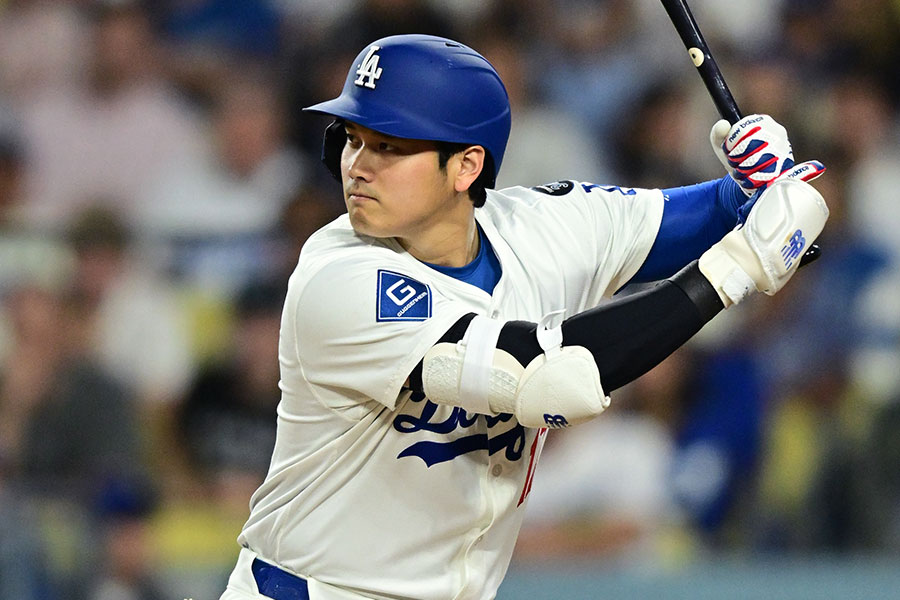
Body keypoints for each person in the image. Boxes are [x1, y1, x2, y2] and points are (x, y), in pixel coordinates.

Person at [219, 34, 829, 600]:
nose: (358, 164)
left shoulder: (538, 228)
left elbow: (688, 220)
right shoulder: (337, 277)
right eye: (353, 138)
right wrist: (737, 267)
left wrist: (749, 187)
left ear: (466, 166)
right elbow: (553, 378)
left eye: (390, 146)